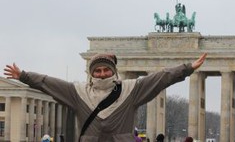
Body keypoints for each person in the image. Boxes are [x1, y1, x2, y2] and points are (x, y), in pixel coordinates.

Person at [3, 53, 207, 142]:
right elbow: (49, 83)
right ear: (92, 73)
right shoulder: (78, 93)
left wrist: (187, 69)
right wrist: (24, 76)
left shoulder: (131, 90)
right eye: (97, 70)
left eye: (106, 70)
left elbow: (160, 78)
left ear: (114, 72)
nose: (102, 74)